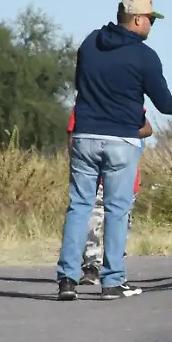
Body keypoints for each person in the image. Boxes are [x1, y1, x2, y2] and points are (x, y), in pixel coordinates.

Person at [57, 0, 172, 301]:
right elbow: (165, 104)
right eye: (151, 20)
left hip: (85, 135)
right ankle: (112, 282)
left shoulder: (89, 43)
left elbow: (80, 84)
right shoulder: (145, 56)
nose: (152, 26)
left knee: (79, 206)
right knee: (117, 209)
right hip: (122, 139)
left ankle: (67, 280)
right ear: (138, 19)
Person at [66, 106, 153, 285]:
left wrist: (123, 132)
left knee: (120, 221)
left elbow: (147, 129)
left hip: (124, 176)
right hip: (95, 178)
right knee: (92, 221)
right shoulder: (84, 104)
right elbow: (73, 137)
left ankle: (113, 268)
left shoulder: (127, 102)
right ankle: (92, 266)